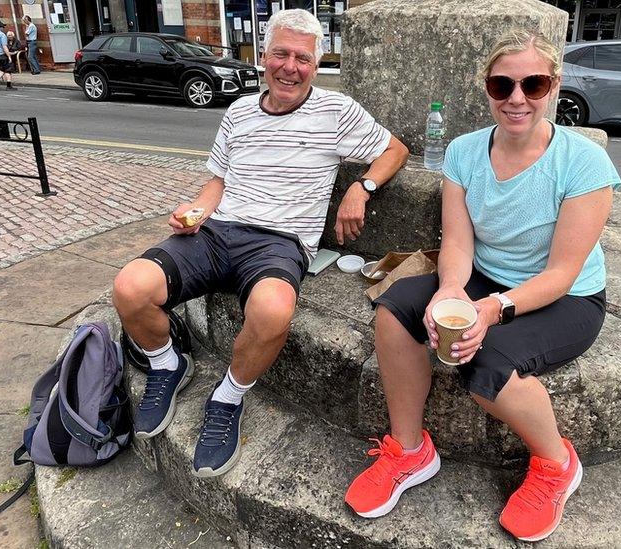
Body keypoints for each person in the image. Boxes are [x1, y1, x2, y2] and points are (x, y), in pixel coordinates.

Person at [345, 30, 621, 542]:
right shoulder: (464, 151)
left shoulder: (583, 163)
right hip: (484, 275)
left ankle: (556, 463)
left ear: (553, 86)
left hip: (567, 296)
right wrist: (451, 287)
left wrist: (492, 309)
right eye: (503, 85)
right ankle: (409, 451)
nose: (517, 98)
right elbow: (458, 240)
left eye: (533, 84)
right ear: (487, 88)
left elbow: (562, 274)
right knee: (395, 308)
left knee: (487, 362)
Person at [112, 8, 408, 477]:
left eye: (303, 58)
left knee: (272, 310)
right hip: (216, 233)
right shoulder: (239, 111)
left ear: (316, 63)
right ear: (263, 56)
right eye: (281, 54)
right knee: (130, 286)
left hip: (279, 242)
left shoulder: (336, 111)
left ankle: (228, 397)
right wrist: (196, 211)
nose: (291, 67)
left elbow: (395, 149)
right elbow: (217, 181)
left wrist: (361, 187)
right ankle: (167, 363)